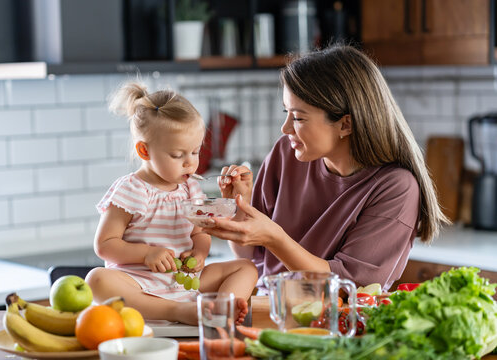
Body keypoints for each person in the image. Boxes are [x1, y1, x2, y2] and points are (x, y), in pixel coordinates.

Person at [202, 45, 449, 293]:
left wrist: (273, 237)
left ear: (345, 125)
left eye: (298, 118)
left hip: (337, 324)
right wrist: (241, 209)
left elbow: (349, 287)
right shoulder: (286, 153)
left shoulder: (395, 187)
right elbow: (254, 257)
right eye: (286, 113)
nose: (285, 128)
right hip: (271, 310)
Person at [85, 81, 258, 325]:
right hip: (138, 283)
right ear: (145, 151)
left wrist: (199, 252)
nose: (190, 163)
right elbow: (104, 245)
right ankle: (178, 312)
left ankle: (220, 310)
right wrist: (147, 254)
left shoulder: (191, 188)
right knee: (96, 280)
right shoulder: (131, 190)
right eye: (178, 155)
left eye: (196, 152)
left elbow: (200, 232)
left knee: (247, 268)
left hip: (183, 280)